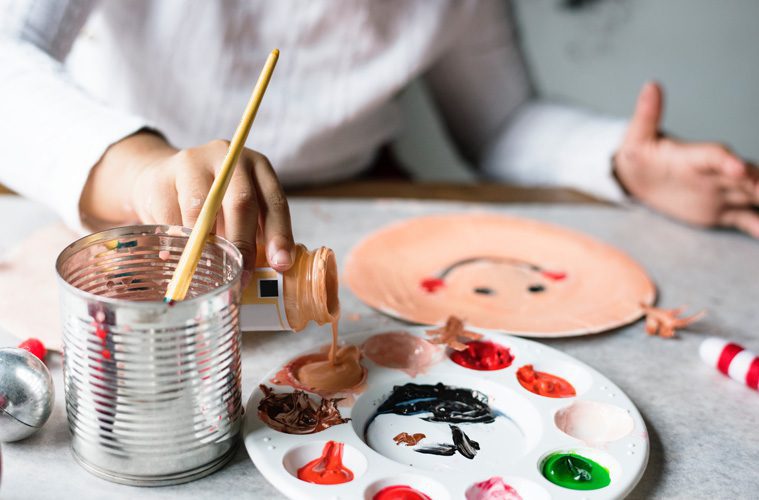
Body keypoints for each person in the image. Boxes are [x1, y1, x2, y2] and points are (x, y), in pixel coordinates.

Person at [1, 0, 757, 279]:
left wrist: (620, 166)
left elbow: (499, 124)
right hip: (131, 202)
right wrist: (143, 170)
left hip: (350, 208)